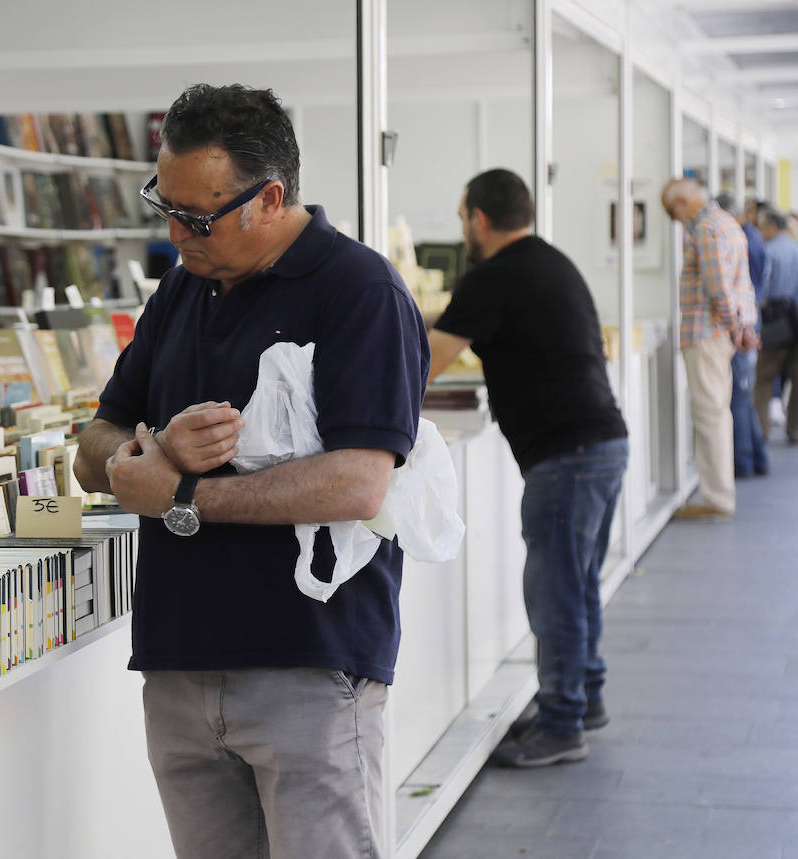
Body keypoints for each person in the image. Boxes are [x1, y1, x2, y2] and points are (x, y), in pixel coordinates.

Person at [73, 83, 429, 859]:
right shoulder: (180, 292)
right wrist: (143, 455)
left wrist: (184, 496)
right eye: (162, 206)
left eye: (197, 217)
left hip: (309, 661)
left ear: (270, 199)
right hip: (179, 661)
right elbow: (94, 439)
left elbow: (359, 482)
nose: (174, 234)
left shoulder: (360, 292)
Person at [427, 169, 628, 768]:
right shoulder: (551, 262)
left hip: (567, 457)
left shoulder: (493, 277)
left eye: (464, 216)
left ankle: (563, 724)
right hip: (601, 444)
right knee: (577, 583)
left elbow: (423, 363)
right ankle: (582, 698)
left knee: (556, 592)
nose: (465, 228)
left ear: (479, 220)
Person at [661, 178, 757, 521]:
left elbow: (719, 289)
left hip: (707, 333)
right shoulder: (728, 224)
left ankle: (716, 498)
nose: (678, 221)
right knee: (717, 411)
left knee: (709, 414)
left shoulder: (705, 228)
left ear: (685, 201)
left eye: (675, 213)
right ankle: (718, 493)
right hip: (721, 333)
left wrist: (733, 326)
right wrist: (741, 328)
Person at [715, 192, 768, 477]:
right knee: (743, 393)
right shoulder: (748, 236)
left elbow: (739, 288)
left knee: (739, 393)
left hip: (743, 322)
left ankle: (745, 461)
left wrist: (740, 327)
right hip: (747, 320)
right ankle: (755, 458)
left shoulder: (738, 237)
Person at [754, 207, 798, 442]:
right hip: (796, 319)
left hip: (775, 320)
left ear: (772, 227)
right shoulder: (796, 248)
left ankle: (761, 430)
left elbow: (763, 288)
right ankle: (795, 429)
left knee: (764, 378)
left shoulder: (769, 251)